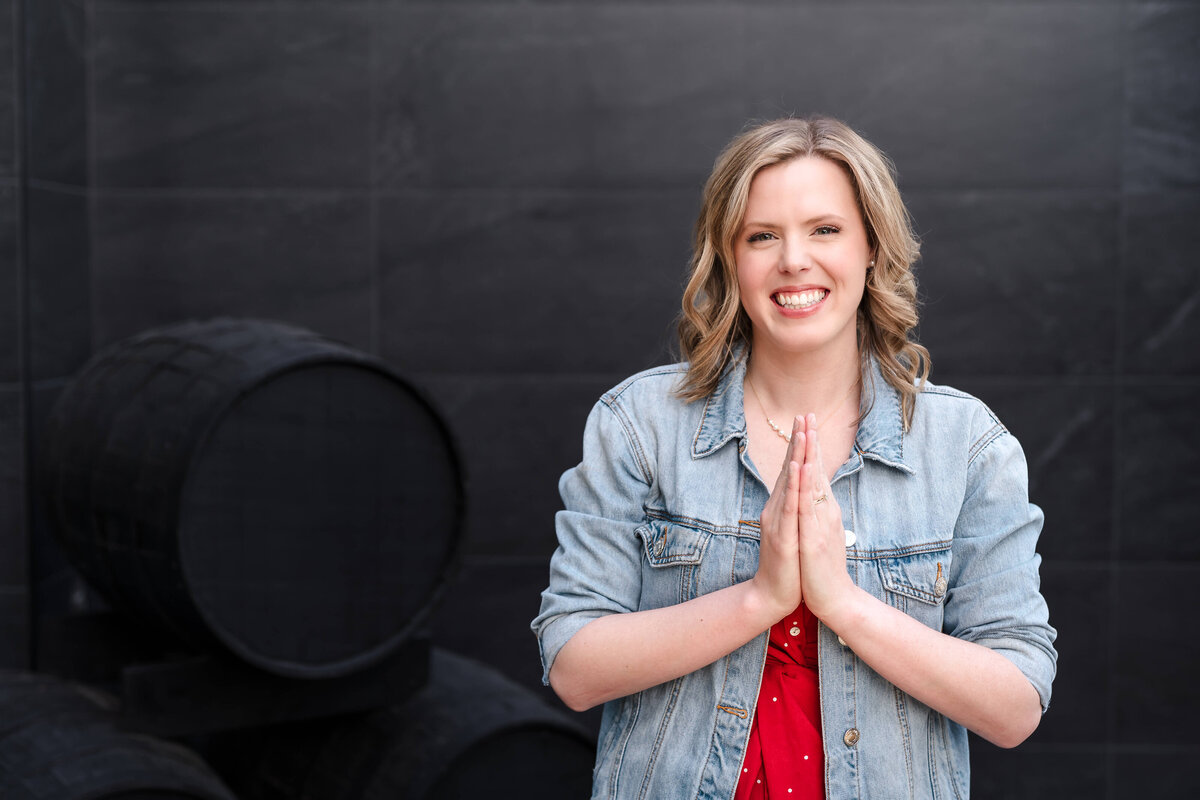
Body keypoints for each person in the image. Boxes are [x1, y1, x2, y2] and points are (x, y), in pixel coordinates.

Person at [531, 116, 1057, 799]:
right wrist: (761, 599)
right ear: (729, 258)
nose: (793, 261)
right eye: (762, 236)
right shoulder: (637, 426)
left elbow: (1015, 707)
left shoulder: (967, 445)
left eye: (825, 230)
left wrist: (840, 602)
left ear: (872, 246)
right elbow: (574, 666)